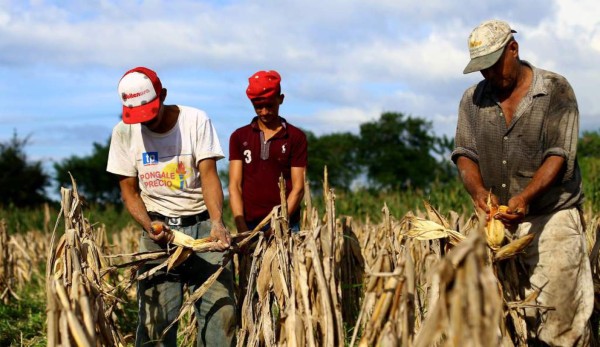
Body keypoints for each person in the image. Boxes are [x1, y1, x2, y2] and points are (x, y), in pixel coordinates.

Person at [452, 20, 594, 346]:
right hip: (498, 221)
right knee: (506, 316)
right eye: (481, 69)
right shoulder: (471, 100)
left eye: (492, 65)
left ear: (513, 50)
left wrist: (526, 197)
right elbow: (465, 154)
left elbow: (559, 155)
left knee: (561, 318)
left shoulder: (555, 90)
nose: (488, 74)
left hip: (551, 215)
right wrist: (478, 193)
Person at [106, 66, 236, 346]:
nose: (146, 123)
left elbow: (210, 176)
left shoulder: (195, 120)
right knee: (156, 324)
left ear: (162, 95)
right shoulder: (123, 133)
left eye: (150, 114)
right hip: (158, 234)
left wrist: (216, 222)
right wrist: (149, 225)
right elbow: (129, 193)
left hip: (204, 229)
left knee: (221, 317)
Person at [228, 70, 308, 234]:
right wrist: (241, 226)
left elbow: (298, 187)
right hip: (249, 226)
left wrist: (278, 223)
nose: (264, 112)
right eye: (258, 107)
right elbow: (234, 185)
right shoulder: (239, 136)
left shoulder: (296, 137)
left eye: (269, 105)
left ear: (281, 99)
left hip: (286, 225)